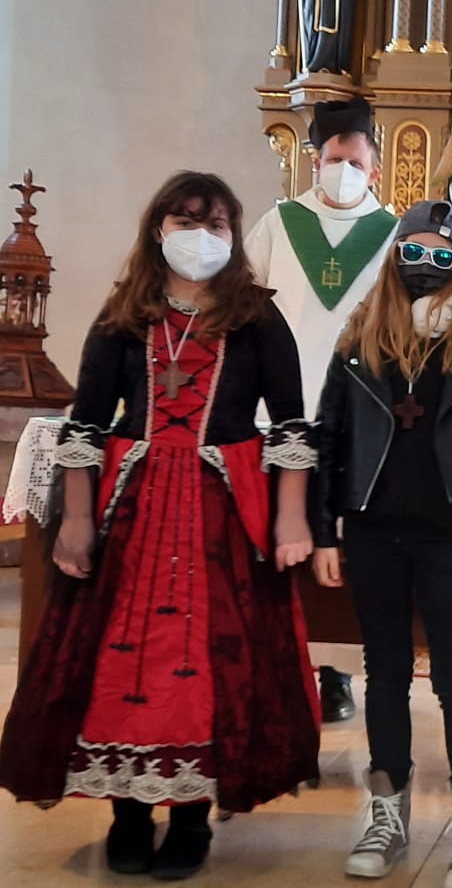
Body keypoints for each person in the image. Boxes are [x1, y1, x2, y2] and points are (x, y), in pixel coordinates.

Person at [0, 172, 320, 880]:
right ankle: (128, 813)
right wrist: (76, 521)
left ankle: (191, 817)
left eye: (216, 223)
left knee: (206, 657)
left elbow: (292, 426)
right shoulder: (125, 314)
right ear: (158, 229)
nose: (201, 235)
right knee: (122, 657)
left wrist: (292, 516)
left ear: (233, 235)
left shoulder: (257, 317)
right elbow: (85, 426)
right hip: (134, 510)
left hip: (223, 511)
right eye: (186, 220)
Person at [311, 199, 452, 883]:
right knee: (385, 674)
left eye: (440, 255)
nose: (425, 265)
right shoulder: (359, 337)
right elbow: (329, 437)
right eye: (413, 252)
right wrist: (323, 530)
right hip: (373, 530)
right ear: (395, 256)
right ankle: (387, 813)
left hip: (451, 534)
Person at [246, 95, 397, 722]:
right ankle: (271, 665)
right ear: (314, 161)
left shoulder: (392, 234)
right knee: (274, 546)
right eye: (333, 159)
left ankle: (334, 673)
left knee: (338, 554)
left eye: (354, 162)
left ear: (375, 168)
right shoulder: (279, 224)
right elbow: (242, 305)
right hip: (277, 413)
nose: (343, 171)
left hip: (353, 421)